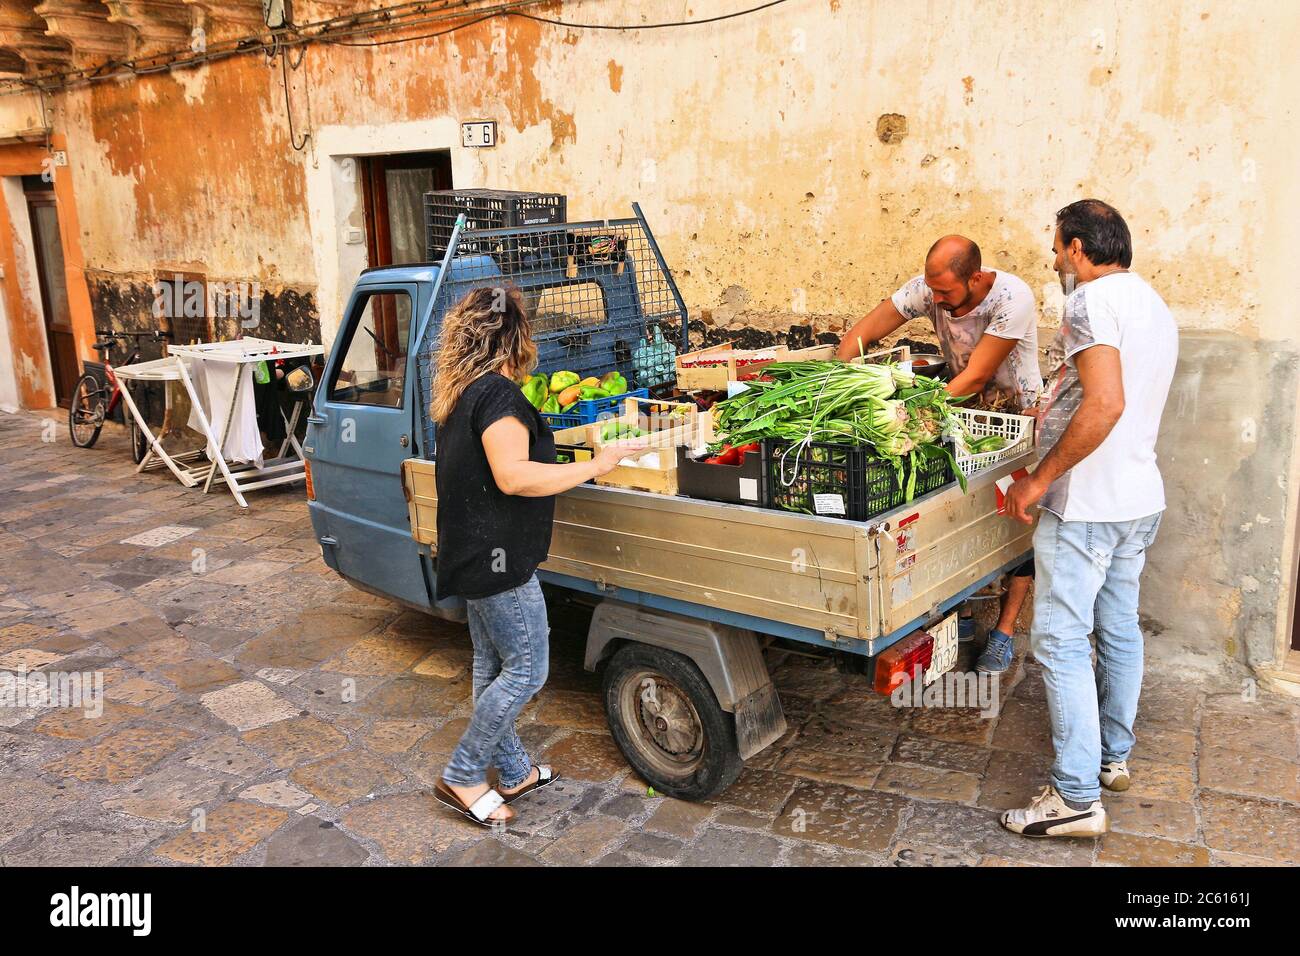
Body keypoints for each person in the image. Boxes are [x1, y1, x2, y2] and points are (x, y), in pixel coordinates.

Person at [428, 286, 645, 827]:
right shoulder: (499, 395)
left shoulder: (462, 393)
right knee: (526, 670)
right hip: (498, 558)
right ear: (516, 338)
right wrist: (599, 464)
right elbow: (514, 475)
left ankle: (516, 769)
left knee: (491, 664)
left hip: (471, 551)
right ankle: (463, 773)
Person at [999, 200, 1177, 837]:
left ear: (1078, 248)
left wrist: (1039, 480)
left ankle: (1073, 797)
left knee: (1060, 640)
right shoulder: (1152, 302)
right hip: (1138, 499)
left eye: (1056, 248)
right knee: (1119, 627)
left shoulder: (1089, 302)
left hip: (1089, 507)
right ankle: (1111, 756)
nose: (1053, 261)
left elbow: (1104, 404)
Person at [837, 235, 1040, 671]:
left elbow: (978, 375)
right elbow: (861, 334)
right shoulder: (926, 290)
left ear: (976, 277)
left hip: (1012, 419)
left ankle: (1003, 631)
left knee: (1014, 532)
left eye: (947, 292)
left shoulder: (1012, 297)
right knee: (958, 515)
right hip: (957, 411)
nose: (937, 299)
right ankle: (962, 614)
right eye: (934, 290)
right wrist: (839, 379)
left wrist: (908, 412)